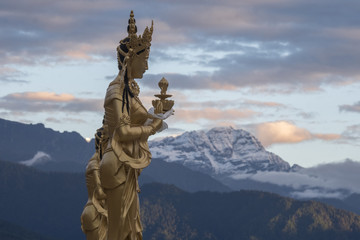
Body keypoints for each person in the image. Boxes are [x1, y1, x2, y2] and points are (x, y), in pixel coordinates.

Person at [99, 11, 167, 240]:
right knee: (117, 230)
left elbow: (140, 119)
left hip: (126, 165)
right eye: (144, 59)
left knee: (130, 228)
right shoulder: (116, 91)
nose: (146, 66)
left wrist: (157, 115)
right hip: (116, 164)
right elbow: (122, 131)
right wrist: (151, 128)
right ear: (131, 58)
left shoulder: (130, 92)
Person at [81, 126, 109, 240]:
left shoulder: (98, 162)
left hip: (94, 211)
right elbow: (100, 193)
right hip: (95, 212)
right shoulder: (95, 165)